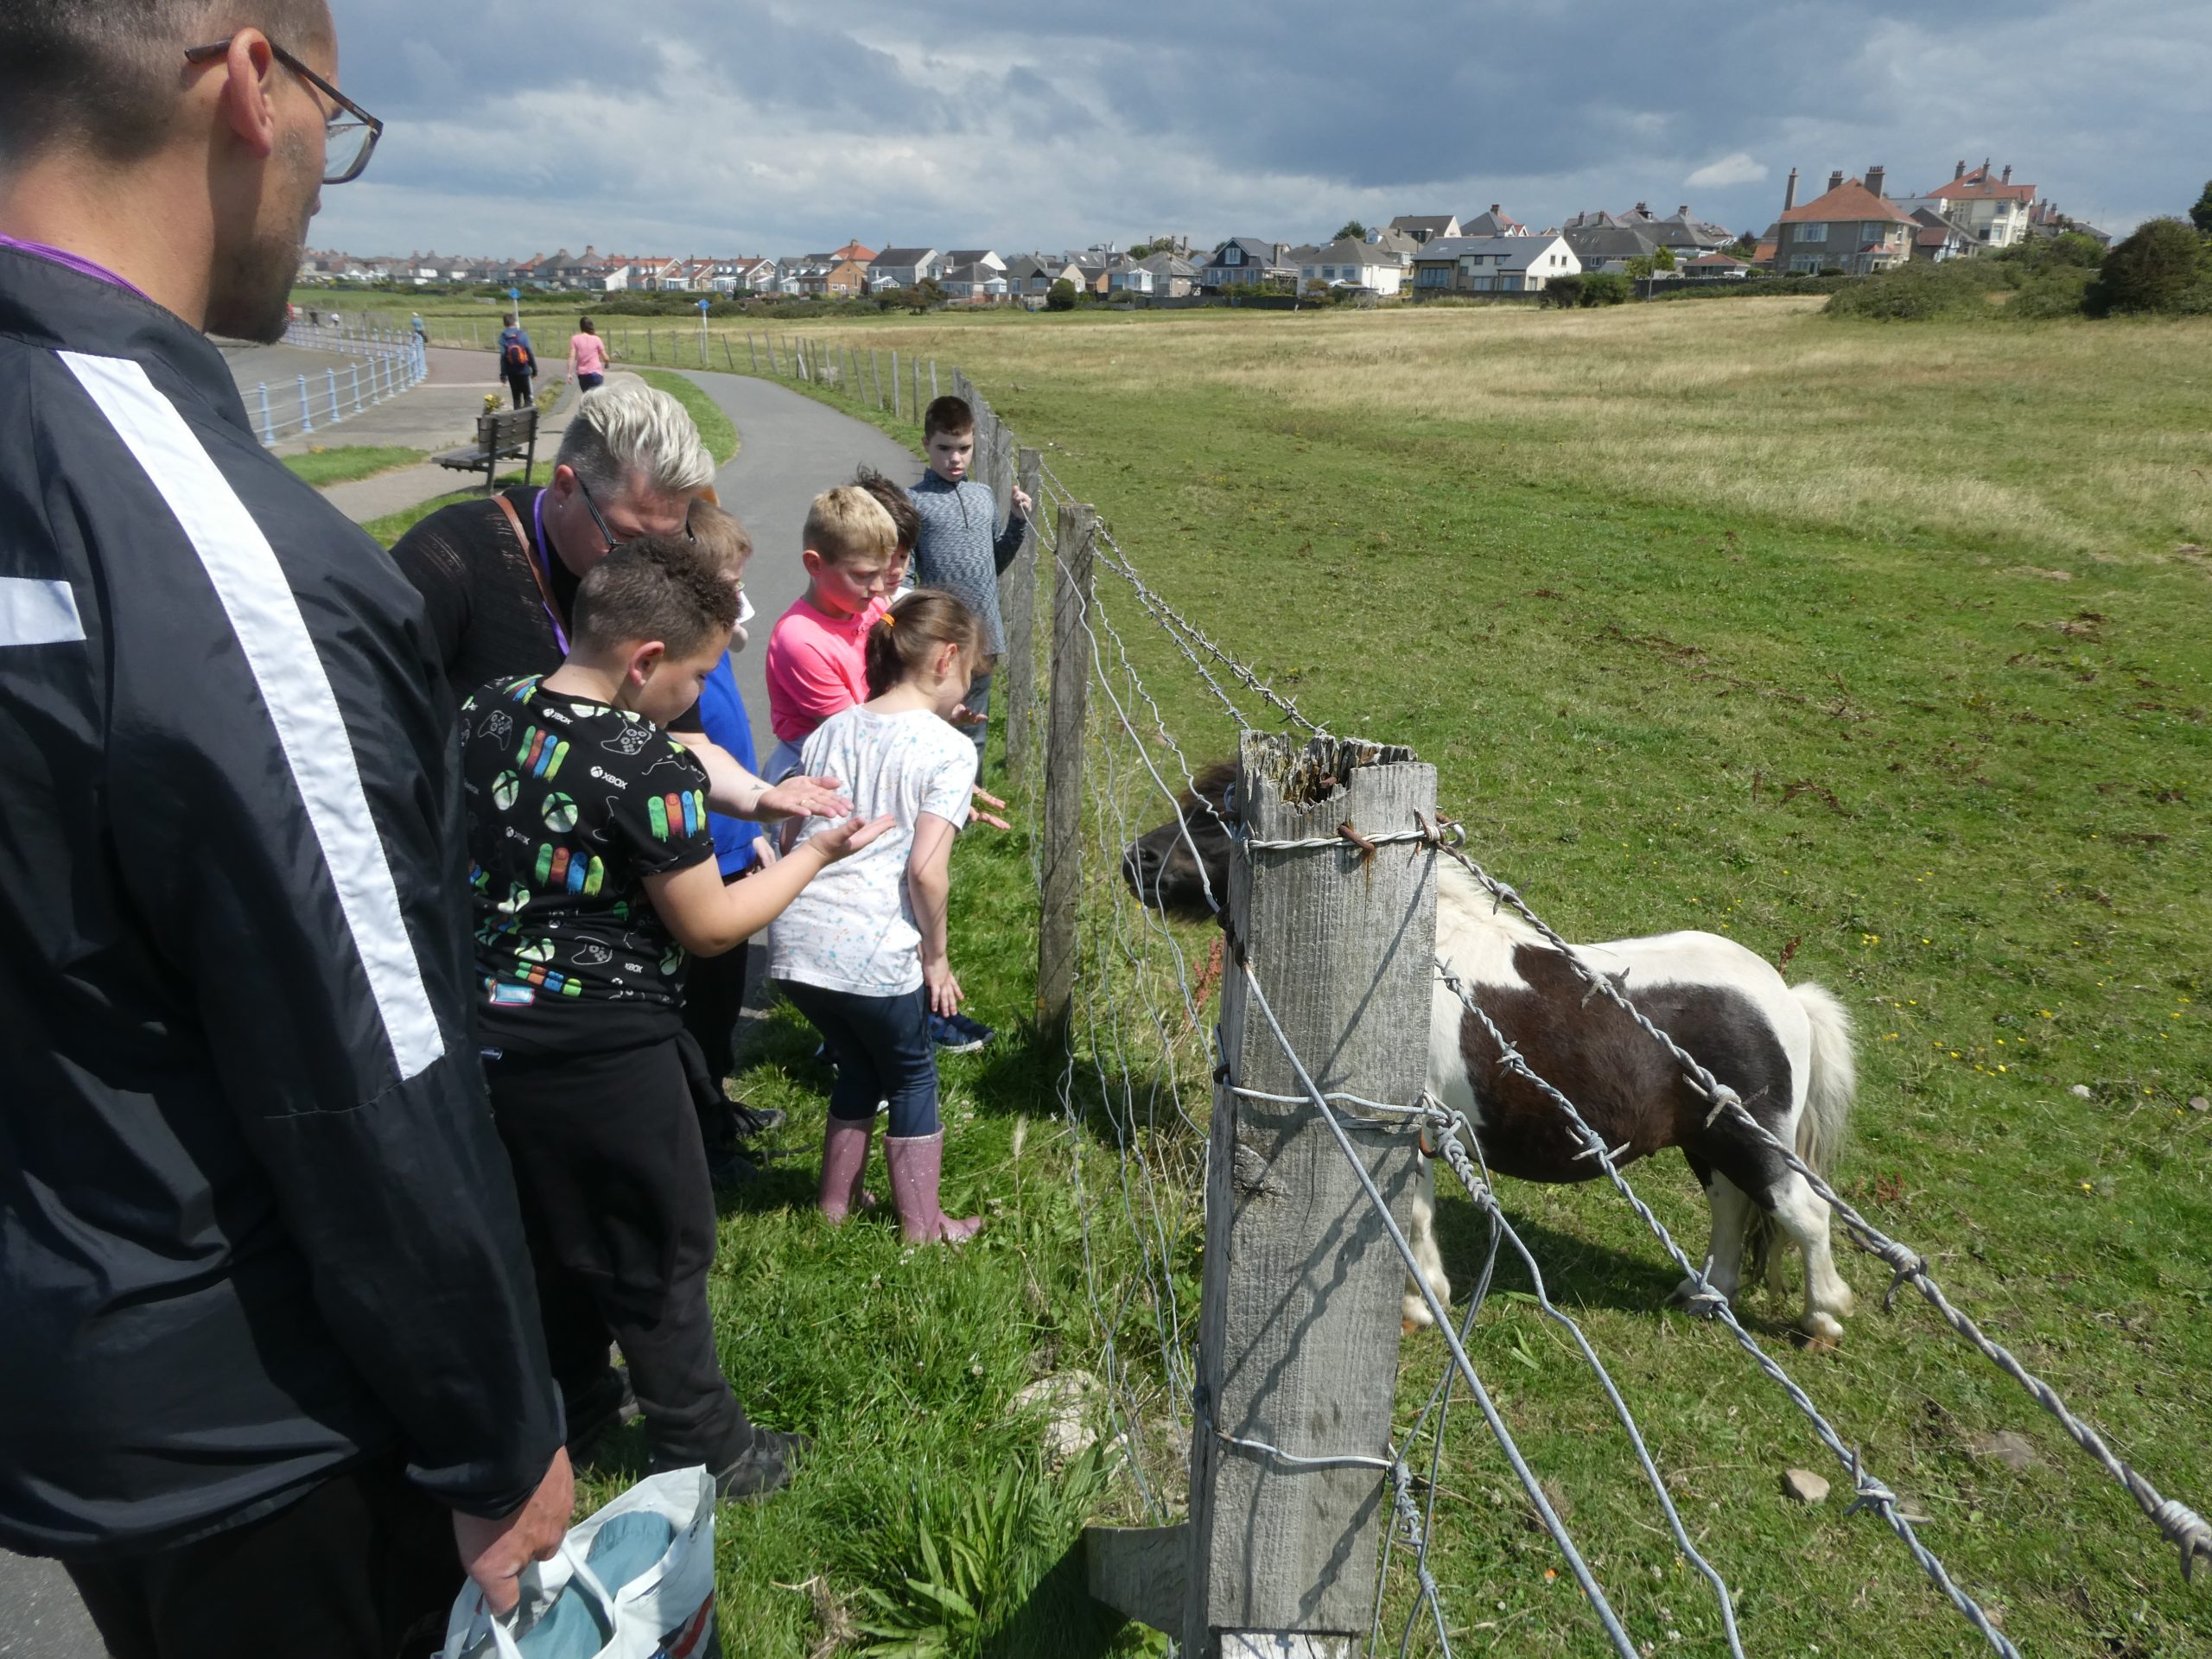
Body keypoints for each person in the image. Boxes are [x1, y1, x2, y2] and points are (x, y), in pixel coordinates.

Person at [0, 5, 572, 1653]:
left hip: (63, 1376)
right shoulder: (234, 558)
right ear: (251, 83)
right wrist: (496, 1426)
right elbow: (368, 1047)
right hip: (269, 1423)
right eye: (341, 113)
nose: (330, 173)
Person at [461, 534, 890, 1499]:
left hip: (490, 1033)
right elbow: (709, 927)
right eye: (694, 673)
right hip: (607, 1045)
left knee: (552, 1234)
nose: (698, 694)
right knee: (659, 1243)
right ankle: (707, 1447)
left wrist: (762, 792)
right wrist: (813, 854)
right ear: (646, 661)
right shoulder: (640, 769)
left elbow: (681, 746)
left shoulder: (495, 707)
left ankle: (573, 1405)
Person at [388, 376, 848, 829]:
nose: (645, 564)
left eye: (669, 540)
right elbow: (382, 739)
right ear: (566, 486)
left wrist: (762, 798)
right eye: (625, 536)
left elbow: (685, 740)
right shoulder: (451, 558)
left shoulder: (661, 570)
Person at [771, 590, 990, 1243]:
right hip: (870, 951)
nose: (967, 688)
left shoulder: (833, 728)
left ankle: (836, 1207)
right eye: (971, 671)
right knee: (912, 1071)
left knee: (859, 1065)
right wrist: (937, 958)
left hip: (796, 942)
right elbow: (926, 869)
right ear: (946, 659)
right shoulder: (950, 750)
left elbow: (791, 836)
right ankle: (923, 1227)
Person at [680, 499, 789, 1161]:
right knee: (696, 1002)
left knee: (719, 1002)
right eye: (730, 583)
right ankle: (702, 1136)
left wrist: (752, 825)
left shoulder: (711, 651)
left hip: (730, 839)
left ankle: (716, 1102)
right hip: (697, 854)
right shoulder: (679, 668)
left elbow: (731, 747)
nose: (742, 597)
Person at [908, 395, 1032, 762]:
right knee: (934, 728)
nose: (955, 458)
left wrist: (1017, 522)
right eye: (945, 448)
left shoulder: (983, 496)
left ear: (974, 442)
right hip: (940, 636)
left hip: (984, 636)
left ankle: (968, 810)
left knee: (973, 733)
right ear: (927, 445)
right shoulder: (913, 502)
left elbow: (994, 562)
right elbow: (908, 573)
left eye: (964, 448)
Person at [762, 485, 900, 785]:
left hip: (877, 748)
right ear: (815, 564)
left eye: (883, 571)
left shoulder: (873, 606)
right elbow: (851, 731)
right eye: (863, 575)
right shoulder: (800, 640)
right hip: (819, 771)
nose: (878, 587)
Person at [497, 309, 536, 408]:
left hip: (511, 372)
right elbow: (529, 353)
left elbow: (503, 357)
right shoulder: (522, 335)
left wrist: (503, 375)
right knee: (527, 397)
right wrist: (534, 369)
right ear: (514, 322)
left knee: (516, 398)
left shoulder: (503, 337)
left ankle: (517, 419)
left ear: (504, 324)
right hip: (524, 370)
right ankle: (528, 420)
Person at [570, 313, 607, 392]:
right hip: (596, 374)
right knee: (597, 399)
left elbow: (571, 357)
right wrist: (607, 363)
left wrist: (569, 373)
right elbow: (606, 357)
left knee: (587, 398)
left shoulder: (575, 339)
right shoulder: (596, 339)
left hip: (583, 375)